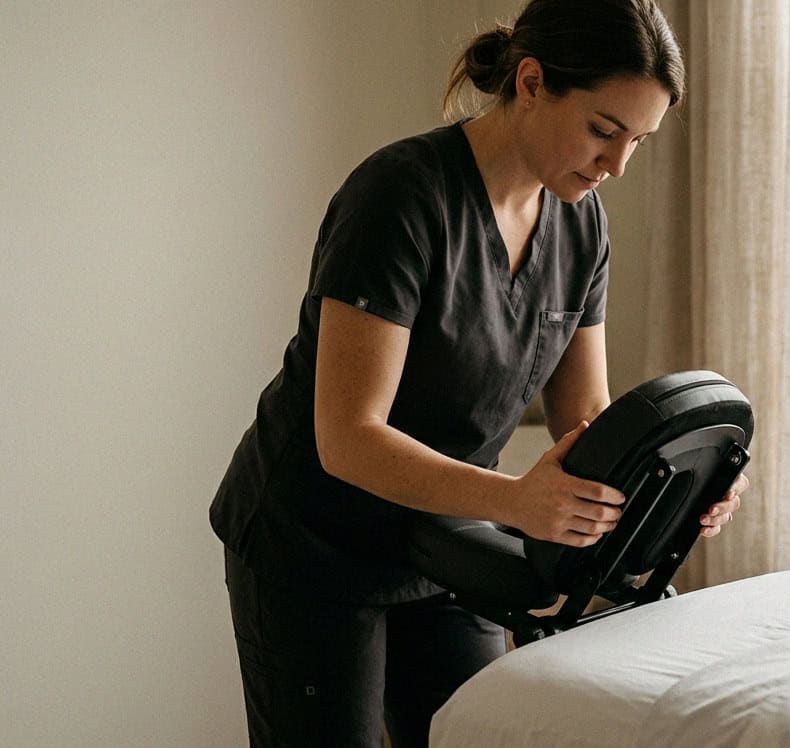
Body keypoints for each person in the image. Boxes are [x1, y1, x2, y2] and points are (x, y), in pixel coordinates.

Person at [209, 2, 746, 745]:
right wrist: (515, 500)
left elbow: (587, 418)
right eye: (603, 130)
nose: (616, 165)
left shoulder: (580, 223)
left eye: (640, 143)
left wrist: (682, 490)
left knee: (480, 732)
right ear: (531, 83)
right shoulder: (401, 196)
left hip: (445, 541)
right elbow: (348, 438)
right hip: (314, 547)